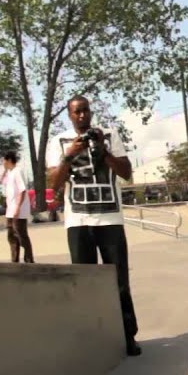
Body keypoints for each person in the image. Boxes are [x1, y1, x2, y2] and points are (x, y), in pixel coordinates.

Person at [50, 95, 141, 357]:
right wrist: (69, 156)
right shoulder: (60, 141)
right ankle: (92, 336)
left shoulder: (110, 135)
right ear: (69, 115)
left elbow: (126, 172)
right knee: (85, 282)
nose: (81, 116)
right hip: (78, 222)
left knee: (119, 281)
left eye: (85, 111)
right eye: (76, 112)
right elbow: (54, 184)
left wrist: (105, 152)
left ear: (91, 112)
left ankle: (128, 337)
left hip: (110, 219)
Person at [0, 151, 34, 263]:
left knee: (21, 236)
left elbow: (22, 190)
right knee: (11, 237)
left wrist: (18, 207)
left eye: (3, 160)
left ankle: (29, 260)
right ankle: (14, 260)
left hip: (18, 211)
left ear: (9, 160)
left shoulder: (18, 172)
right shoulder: (10, 173)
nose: (2, 163)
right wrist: (5, 170)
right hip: (10, 211)